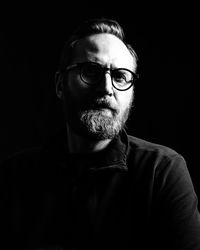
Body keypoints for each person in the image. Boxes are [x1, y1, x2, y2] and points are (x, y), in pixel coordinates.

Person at [0, 17, 200, 250]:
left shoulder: (162, 171)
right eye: (91, 71)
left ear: (132, 94)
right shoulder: (14, 177)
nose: (106, 88)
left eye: (120, 77)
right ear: (60, 85)